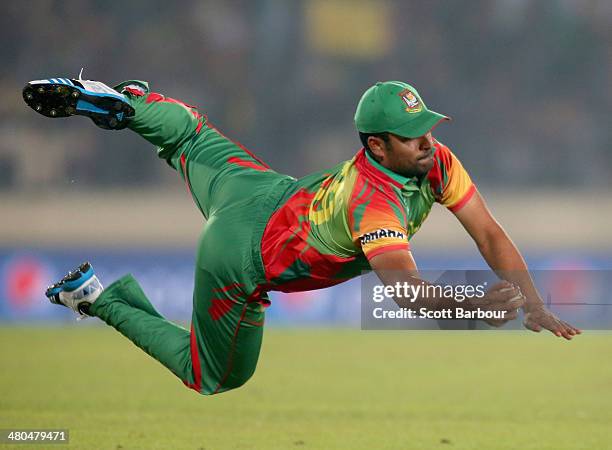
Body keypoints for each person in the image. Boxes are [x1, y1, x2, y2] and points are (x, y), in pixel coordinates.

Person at [23, 77, 581, 395]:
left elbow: (489, 233)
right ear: (376, 147)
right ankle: (98, 297)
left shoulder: (432, 162)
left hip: (261, 190)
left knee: (190, 136)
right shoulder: (373, 203)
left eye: (428, 130)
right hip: (239, 257)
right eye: (412, 137)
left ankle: (128, 101)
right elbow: (405, 293)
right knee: (210, 377)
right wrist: (475, 309)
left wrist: (531, 304)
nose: (428, 143)